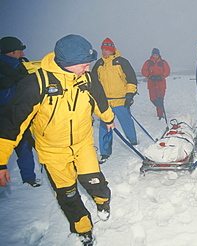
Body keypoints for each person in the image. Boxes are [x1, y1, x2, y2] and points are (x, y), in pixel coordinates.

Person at [0, 34, 115, 246]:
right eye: (84, 65)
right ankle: (83, 228)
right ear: (67, 64)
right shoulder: (36, 84)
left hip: (82, 144)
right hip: (53, 152)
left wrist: (108, 119)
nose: (88, 69)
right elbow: (11, 123)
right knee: (68, 195)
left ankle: (103, 203)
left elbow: (99, 100)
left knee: (95, 181)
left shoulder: (87, 79)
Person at [0, 36, 40, 187]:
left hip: (22, 114)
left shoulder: (22, 66)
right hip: (5, 116)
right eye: (19, 51)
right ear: (11, 53)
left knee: (25, 146)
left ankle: (29, 178)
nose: (23, 54)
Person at [92, 37, 138, 164]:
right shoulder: (98, 64)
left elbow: (131, 79)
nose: (104, 52)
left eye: (107, 49)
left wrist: (129, 95)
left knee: (127, 122)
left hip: (121, 101)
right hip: (104, 103)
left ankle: (133, 141)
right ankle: (105, 152)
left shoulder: (121, 62)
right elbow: (94, 83)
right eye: (103, 49)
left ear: (112, 50)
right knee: (104, 127)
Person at [141, 48, 170, 120]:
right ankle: (160, 109)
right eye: (154, 55)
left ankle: (160, 114)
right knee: (153, 99)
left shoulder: (163, 62)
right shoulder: (148, 62)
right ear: (152, 55)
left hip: (161, 84)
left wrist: (162, 76)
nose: (155, 56)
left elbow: (167, 70)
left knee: (160, 98)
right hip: (152, 84)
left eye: (157, 55)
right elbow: (143, 71)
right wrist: (149, 76)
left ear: (159, 55)